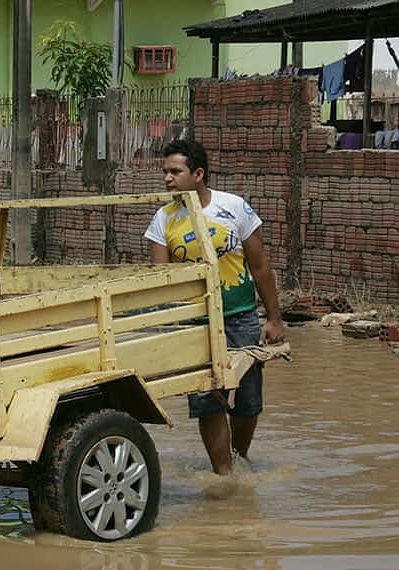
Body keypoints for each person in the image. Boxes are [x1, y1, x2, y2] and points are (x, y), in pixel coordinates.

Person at [144, 139, 285, 476]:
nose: (167, 178)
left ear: (199, 174)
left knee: (248, 400)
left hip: (240, 315)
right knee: (207, 401)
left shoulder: (234, 207)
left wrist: (274, 318)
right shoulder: (164, 220)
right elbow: (162, 279)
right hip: (194, 322)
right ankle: (224, 475)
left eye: (175, 171)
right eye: (165, 172)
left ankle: (240, 456)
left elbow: (260, 265)